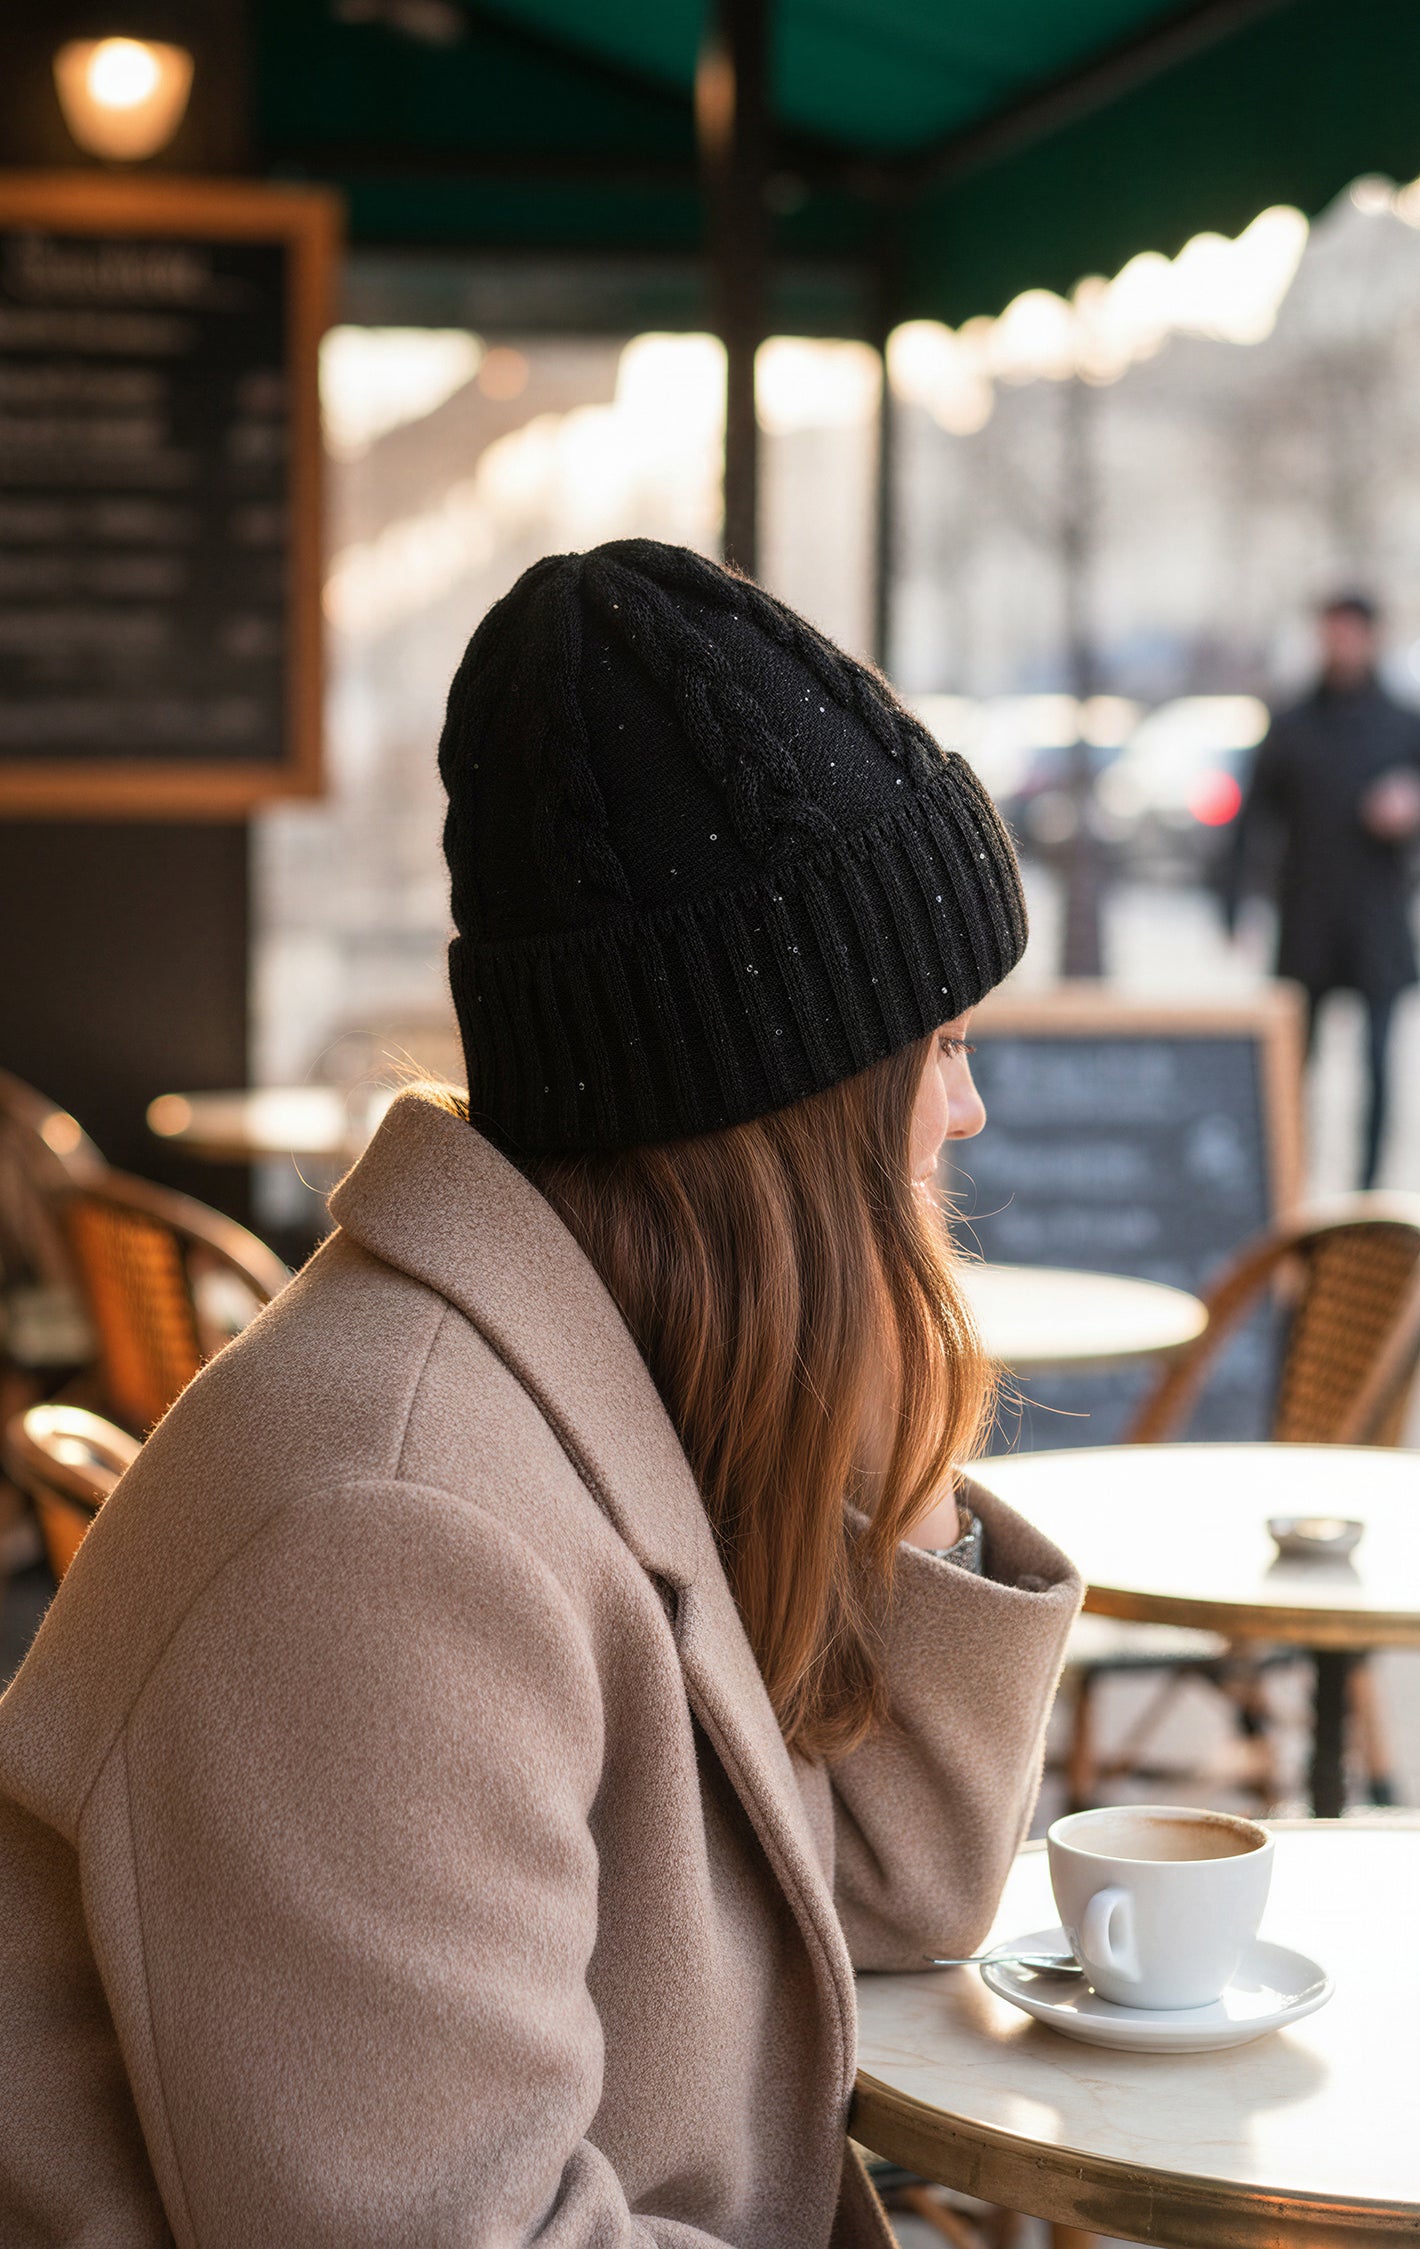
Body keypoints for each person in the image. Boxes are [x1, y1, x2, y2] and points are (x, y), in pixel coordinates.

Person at [0, 539, 1081, 2248]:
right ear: (782, 1106)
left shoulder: (610, 1379)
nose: (969, 1113)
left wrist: (889, 1419)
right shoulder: (391, 1525)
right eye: (937, 1046)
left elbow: (897, 1884)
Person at [1225, 592, 1420, 1188]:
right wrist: (1233, 905)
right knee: (1295, 1067)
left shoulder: (1403, 721)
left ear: (1371, 638)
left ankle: (1369, 1193)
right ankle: (1291, 1183)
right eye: (1332, 632)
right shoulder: (1293, 722)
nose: (1341, 644)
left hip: (1379, 923)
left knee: (1378, 1065)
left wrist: (1415, 808)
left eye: (1352, 633)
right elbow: (1253, 818)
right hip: (1308, 920)